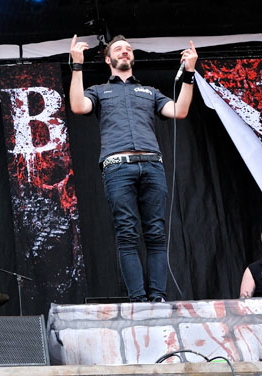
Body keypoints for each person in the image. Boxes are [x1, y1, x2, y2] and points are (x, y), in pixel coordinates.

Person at [69, 35, 197, 302]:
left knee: (156, 233)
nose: (125, 51)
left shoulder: (150, 92)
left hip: (152, 164)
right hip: (118, 167)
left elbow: (180, 110)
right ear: (108, 59)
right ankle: (138, 299)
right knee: (127, 233)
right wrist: (77, 66)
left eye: (128, 49)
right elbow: (78, 106)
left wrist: (189, 73)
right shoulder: (99, 90)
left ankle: (157, 297)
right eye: (118, 49)